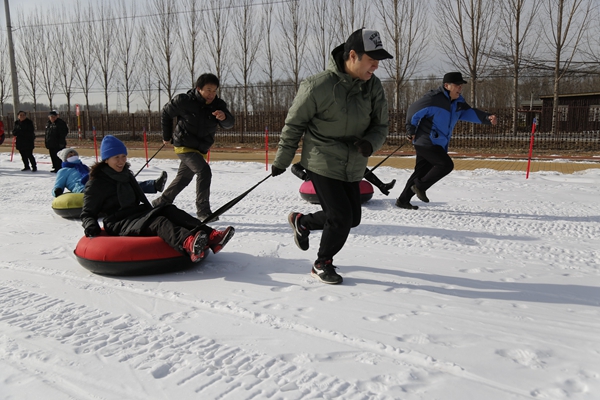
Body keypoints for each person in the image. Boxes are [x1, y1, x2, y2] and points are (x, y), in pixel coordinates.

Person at [270, 28, 392, 284]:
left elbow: (381, 125)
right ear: (352, 56)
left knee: (352, 218)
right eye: (371, 61)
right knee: (340, 216)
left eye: (378, 62)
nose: (375, 67)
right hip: (321, 157)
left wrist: (371, 143)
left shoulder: (373, 87)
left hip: (354, 160)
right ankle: (322, 263)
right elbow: (294, 125)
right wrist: (282, 160)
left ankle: (302, 222)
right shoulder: (318, 85)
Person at [81, 135, 235, 263]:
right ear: (106, 159)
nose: (121, 161)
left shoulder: (125, 175)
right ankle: (187, 243)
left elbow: (138, 190)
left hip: (136, 214)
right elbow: (87, 212)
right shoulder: (96, 183)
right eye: (116, 157)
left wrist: (152, 187)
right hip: (118, 223)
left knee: (169, 209)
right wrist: (91, 227)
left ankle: (212, 236)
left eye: (123, 156)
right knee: (158, 222)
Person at [396, 72, 498, 210]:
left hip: (436, 143)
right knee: (445, 165)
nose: (459, 88)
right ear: (446, 85)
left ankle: (403, 200)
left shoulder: (458, 103)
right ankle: (419, 187)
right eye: (457, 85)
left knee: (420, 173)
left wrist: (487, 118)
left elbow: (470, 113)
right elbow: (413, 111)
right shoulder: (434, 99)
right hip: (426, 141)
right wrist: (410, 130)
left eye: (461, 86)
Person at [153, 73, 235, 222]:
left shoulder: (218, 105)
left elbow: (230, 123)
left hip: (201, 149)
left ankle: (160, 203)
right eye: (208, 90)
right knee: (204, 171)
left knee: (183, 178)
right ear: (199, 89)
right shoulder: (184, 101)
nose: (212, 94)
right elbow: (166, 112)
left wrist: (224, 117)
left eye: (214, 90)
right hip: (184, 145)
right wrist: (166, 136)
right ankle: (203, 211)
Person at [52, 147, 168, 197]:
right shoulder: (64, 171)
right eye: (70, 154)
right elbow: (58, 185)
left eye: (74, 154)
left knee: (123, 183)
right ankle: (152, 186)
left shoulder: (83, 167)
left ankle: (153, 185)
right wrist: (57, 191)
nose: (73, 155)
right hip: (84, 188)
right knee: (119, 187)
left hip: (95, 182)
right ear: (65, 158)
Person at [291, 163, 396, 196]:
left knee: (360, 167)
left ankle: (382, 186)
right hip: (323, 182)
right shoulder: (312, 158)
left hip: (341, 178)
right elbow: (294, 168)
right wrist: (305, 177)